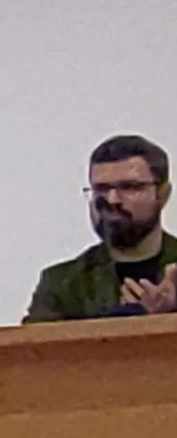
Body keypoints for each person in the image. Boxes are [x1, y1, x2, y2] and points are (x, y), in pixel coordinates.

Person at [25, 135, 176, 321]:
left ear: (162, 194)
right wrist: (136, 316)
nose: (112, 200)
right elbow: (35, 347)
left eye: (129, 187)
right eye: (101, 189)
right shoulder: (62, 283)